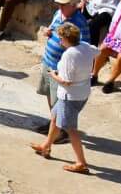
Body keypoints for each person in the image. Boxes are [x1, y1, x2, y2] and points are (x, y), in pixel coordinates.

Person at [32, 23, 95, 175]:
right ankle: (46, 146)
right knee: (54, 117)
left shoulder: (69, 55)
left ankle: (81, 162)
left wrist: (52, 74)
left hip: (70, 96)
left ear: (66, 39)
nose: (59, 41)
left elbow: (66, 81)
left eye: (61, 38)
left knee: (70, 129)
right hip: (82, 92)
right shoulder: (86, 46)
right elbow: (97, 52)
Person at [35, 0, 91, 124]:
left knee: (58, 101)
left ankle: (61, 130)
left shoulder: (79, 22)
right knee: (49, 94)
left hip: (59, 68)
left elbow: (83, 46)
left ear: (73, 6)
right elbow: (54, 27)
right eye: (59, 3)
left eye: (63, 4)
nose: (60, 6)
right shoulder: (58, 13)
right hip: (48, 61)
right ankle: (53, 123)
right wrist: (49, 32)